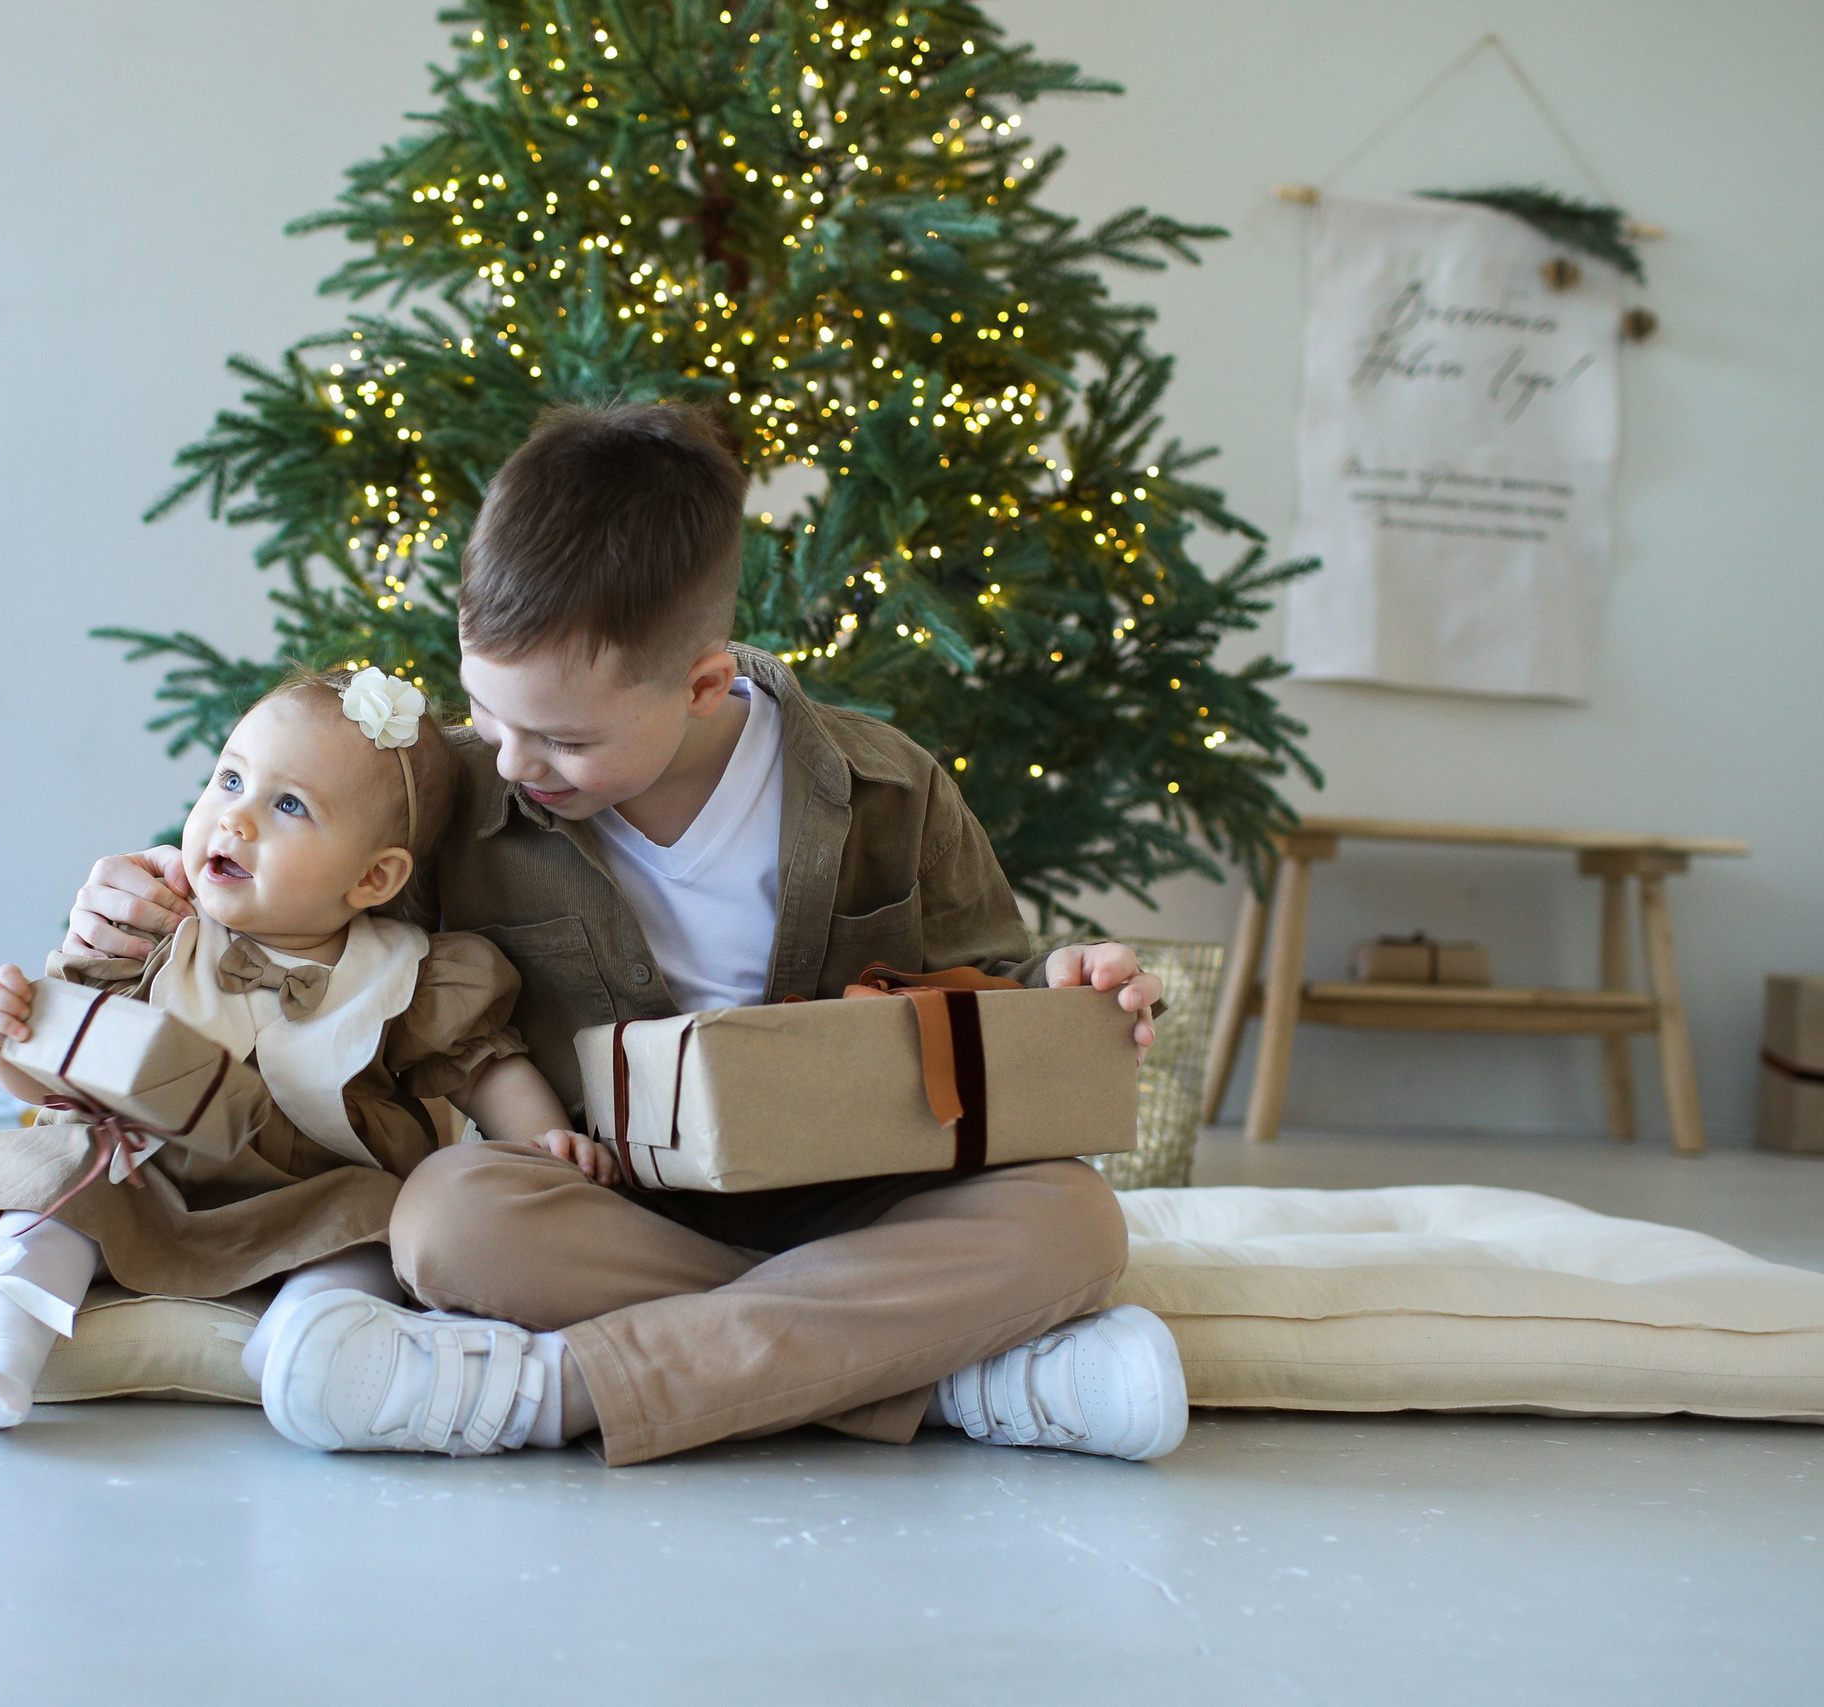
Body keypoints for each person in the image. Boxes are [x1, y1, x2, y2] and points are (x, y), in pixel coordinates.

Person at [68, 403, 1186, 1466]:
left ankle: (561, 1391)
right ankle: (935, 1379)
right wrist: (136, 909)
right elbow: (292, 932)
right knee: (448, 1224)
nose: (510, 763)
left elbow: (986, 980)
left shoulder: (885, 786)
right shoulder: (450, 796)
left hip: (862, 1193)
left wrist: (1063, 981)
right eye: (487, 713)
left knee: (1074, 1221)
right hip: (609, 1212)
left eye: (559, 740)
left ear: (703, 685)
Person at [0, 665, 606, 1434]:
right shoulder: (155, 933)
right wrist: (2, 1031)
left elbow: (488, 1067)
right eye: (228, 779)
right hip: (146, 1174)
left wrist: (545, 1143)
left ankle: (299, 1337)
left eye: (289, 805)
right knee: (56, 1178)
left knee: (376, 1220)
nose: (235, 819)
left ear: (374, 876)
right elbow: (52, 1070)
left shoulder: (406, 975)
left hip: (304, 1194)